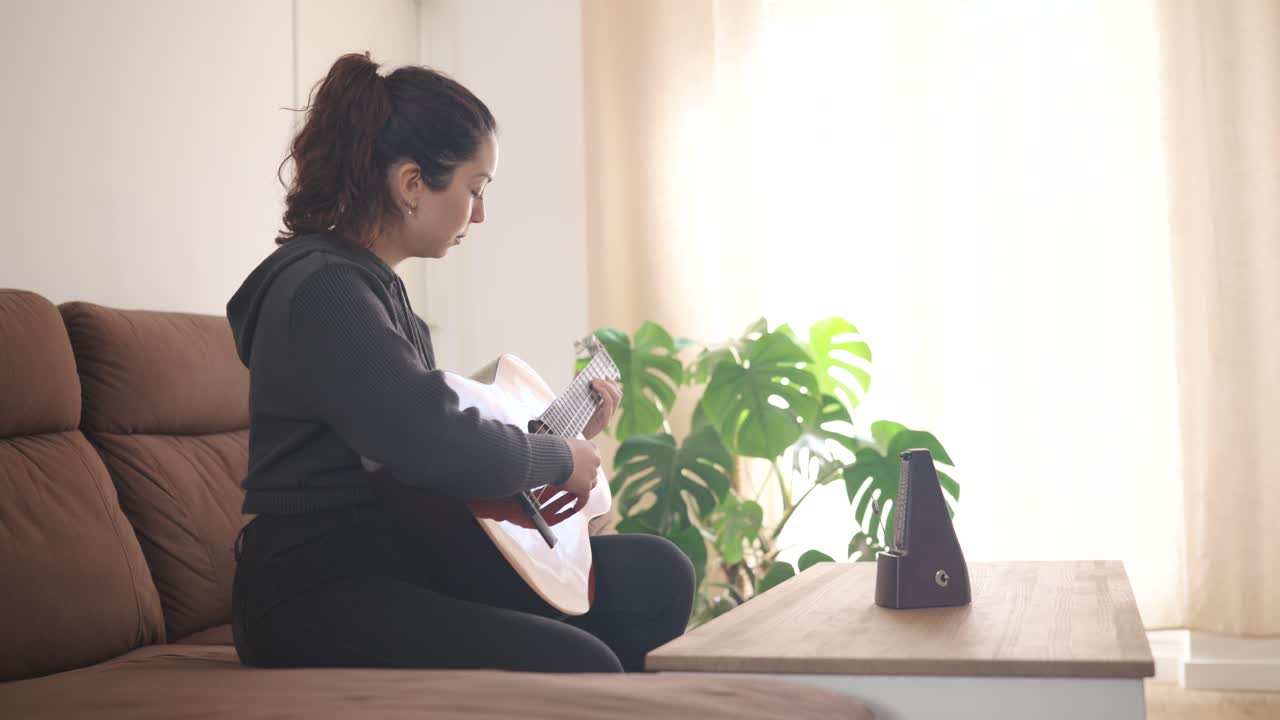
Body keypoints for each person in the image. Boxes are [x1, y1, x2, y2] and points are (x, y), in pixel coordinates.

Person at [225, 52, 694, 673]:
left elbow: (421, 454)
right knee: (581, 664)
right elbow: (427, 443)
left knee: (656, 576)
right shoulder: (327, 292)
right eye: (474, 189)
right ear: (412, 184)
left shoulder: (374, 290)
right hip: (312, 590)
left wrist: (562, 439)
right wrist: (558, 457)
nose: (479, 213)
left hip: (400, 555)